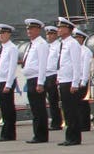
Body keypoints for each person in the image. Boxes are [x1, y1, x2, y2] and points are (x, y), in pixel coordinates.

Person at [55, 18, 83, 146]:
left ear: (68, 29)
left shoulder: (73, 44)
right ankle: (69, 136)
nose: (58, 30)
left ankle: (74, 137)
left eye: (61, 28)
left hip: (70, 81)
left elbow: (76, 64)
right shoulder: (63, 43)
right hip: (63, 80)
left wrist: (75, 83)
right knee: (66, 110)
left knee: (72, 110)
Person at [23, 19, 50, 143]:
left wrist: (40, 82)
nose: (29, 31)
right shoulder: (32, 44)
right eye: (28, 29)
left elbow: (42, 64)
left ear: (38, 30)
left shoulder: (41, 44)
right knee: (34, 109)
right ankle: (37, 133)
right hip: (30, 79)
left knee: (39, 109)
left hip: (36, 79)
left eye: (32, 29)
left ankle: (41, 135)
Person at [0, 24, 19, 141]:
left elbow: (12, 67)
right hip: (0, 80)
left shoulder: (11, 48)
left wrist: (8, 84)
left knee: (8, 108)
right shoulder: (2, 48)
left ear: (9, 34)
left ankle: (9, 133)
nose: (1, 35)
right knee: (3, 108)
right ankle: (5, 132)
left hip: (6, 81)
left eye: (3, 33)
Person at [44, 25, 63, 130]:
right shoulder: (47, 46)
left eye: (51, 34)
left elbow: (59, 62)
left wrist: (58, 76)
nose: (49, 36)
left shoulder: (58, 46)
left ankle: (57, 122)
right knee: (50, 101)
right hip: (46, 75)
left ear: (56, 34)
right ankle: (53, 121)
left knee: (54, 100)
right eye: (47, 34)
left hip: (53, 74)